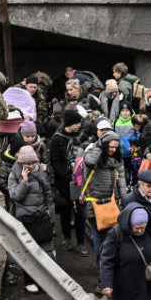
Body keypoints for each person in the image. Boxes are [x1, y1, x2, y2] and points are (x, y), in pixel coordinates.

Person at [8, 145, 55, 293]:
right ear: (21, 163)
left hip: (41, 215)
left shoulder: (41, 171)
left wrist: (50, 213)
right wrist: (24, 181)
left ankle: (47, 279)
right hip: (25, 218)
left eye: (32, 163)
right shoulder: (14, 174)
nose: (30, 166)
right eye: (27, 163)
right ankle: (29, 280)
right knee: (28, 251)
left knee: (46, 249)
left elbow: (48, 192)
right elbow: (15, 197)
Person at [81, 131, 128, 259]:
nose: (113, 150)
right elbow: (89, 161)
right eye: (110, 146)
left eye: (115, 147)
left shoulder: (114, 160)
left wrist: (122, 200)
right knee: (100, 241)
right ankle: (102, 272)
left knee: (111, 239)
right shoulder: (93, 155)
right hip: (94, 206)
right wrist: (98, 146)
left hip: (110, 204)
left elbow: (119, 182)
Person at [48, 109, 89, 255]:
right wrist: (66, 175)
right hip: (64, 180)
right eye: (77, 123)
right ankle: (67, 238)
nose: (79, 125)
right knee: (66, 210)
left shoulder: (81, 137)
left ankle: (81, 242)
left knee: (80, 211)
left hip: (78, 180)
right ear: (70, 123)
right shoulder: (57, 139)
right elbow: (54, 161)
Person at [122, 168, 151, 246]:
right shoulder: (129, 200)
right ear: (140, 185)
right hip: (143, 244)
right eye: (149, 186)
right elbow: (126, 228)